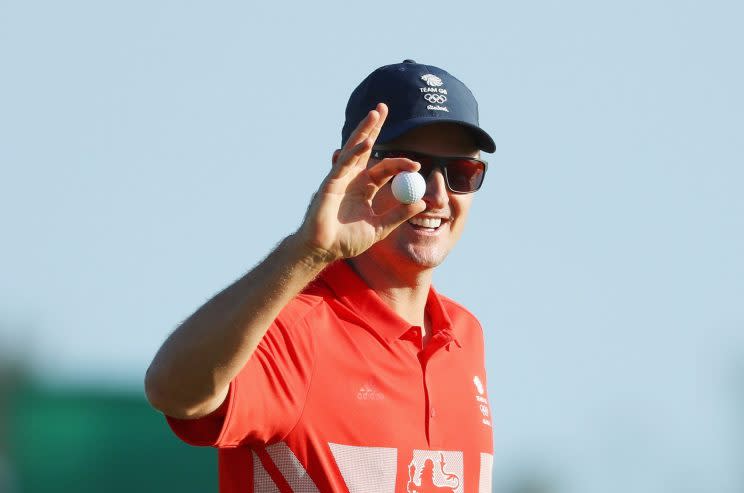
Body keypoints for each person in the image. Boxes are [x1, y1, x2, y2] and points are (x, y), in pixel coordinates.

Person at [145, 59, 496, 492]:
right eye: (413, 169)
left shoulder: (465, 335)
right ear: (350, 169)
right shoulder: (296, 327)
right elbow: (173, 392)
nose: (438, 195)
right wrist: (307, 251)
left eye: (462, 173)